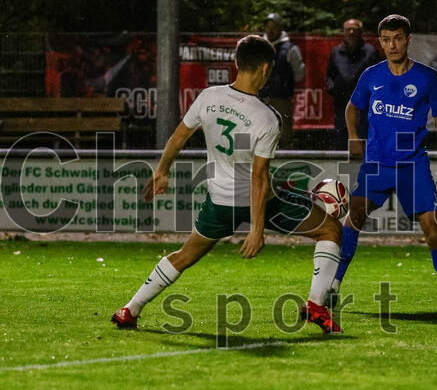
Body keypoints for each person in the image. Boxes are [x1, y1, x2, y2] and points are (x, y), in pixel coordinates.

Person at [112, 35, 342, 333]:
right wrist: (257, 229)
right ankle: (315, 305)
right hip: (259, 203)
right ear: (265, 69)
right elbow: (257, 177)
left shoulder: (209, 97)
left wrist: (162, 170)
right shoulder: (267, 117)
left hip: (219, 203)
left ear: (236, 63)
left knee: (184, 256)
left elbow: (179, 136)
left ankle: (130, 309)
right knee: (330, 229)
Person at [329, 14, 437, 312]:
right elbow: (352, 108)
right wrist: (354, 136)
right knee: (354, 217)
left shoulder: (427, 76)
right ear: (380, 42)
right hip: (377, 164)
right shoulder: (371, 75)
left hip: (412, 165)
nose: (392, 45)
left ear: (408, 40)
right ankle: (332, 286)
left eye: (398, 38)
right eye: (386, 40)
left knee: (432, 229)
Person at [326, 18, 380, 149]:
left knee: (363, 133)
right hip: (341, 102)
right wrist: (333, 89)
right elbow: (330, 75)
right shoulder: (336, 52)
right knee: (342, 133)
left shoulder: (371, 52)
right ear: (344, 32)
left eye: (354, 30)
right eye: (348, 30)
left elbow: (378, 77)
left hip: (364, 103)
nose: (351, 32)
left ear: (361, 32)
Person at [259, 13, 306, 150]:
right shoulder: (259, 47)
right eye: (268, 27)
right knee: (261, 137)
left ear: (281, 28)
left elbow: (299, 73)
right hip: (260, 99)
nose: (271, 30)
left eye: (274, 27)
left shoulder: (291, 49)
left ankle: (285, 167)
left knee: (284, 137)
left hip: (282, 100)